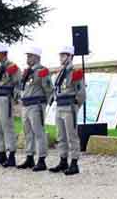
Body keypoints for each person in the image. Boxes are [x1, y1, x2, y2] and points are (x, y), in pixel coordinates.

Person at [49, 45, 85, 175]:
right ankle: (63, 160)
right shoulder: (60, 72)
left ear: (70, 57)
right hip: (60, 105)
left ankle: (74, 163)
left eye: (64, 55)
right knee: (60, 135)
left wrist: (75, 105)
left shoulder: (75, 71)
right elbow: (56, 89)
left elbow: (81, 92)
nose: (61, 57)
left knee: (72, 135)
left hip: (69, 106)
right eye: (60, 55)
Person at [17, 46, 52, 171]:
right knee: (28, 133)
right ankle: (29, 156)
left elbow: (48, 89)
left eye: (30, 56)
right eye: (27, 56)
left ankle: (41, 158)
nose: (28, 58)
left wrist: (43, 103)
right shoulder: (27, 72)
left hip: (36, 104)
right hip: (26, 105)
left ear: (37, 57)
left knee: (38, 132)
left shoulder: (42, 71)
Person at [0, 44, 20, 168]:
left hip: (6, 97)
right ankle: (1, 152)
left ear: (3, 54)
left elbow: (18, 81)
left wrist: (15, 97)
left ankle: (11, 154)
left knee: (7, 127)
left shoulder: (11, 67)